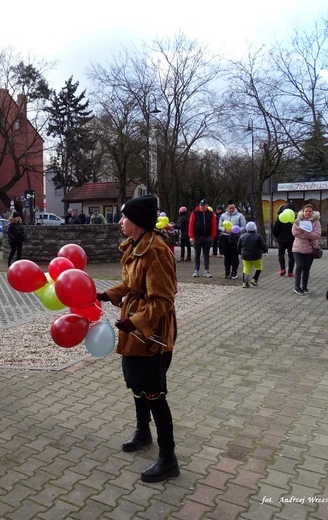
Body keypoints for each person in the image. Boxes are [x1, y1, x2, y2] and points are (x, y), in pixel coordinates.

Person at [96, 194, 179, 483]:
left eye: (124, 217)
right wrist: (107, 294)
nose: (120, 221)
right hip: (133, 329)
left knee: (154, 392)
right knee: (136, 383)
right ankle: (143, 432)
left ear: (139, 222)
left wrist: (136, 321)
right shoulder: (135, 245)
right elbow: (132, 284)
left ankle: (169, 458)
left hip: (151, 334)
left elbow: (164, 299)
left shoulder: (156, 251)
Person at [291, 203, 321, 295]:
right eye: (306, 211)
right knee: (299, 266)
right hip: (298, 248)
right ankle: (297, 287)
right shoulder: (298, 221)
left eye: (310, 211)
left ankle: (304, 287)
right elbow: (294, 233)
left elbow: (317, 235)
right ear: (303, 212)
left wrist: (305, 233)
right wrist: (305, 233)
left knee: (306, 268)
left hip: (310, 249)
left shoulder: (316, 222)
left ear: (313, 212)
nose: (308, 213)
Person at [188, 199, 217, 278]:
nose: (202, 207)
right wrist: (191, 236)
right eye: (201, 205)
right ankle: (196, 270)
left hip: (207, 237)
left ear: (207, 205)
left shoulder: (211, 214)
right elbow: (191, 225)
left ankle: (207, 270)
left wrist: (212, 236)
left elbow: (214, 225)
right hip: (197, 237)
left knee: (206, 254)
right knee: (197, 254)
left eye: (204, 205)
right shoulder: (194, 213)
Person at [218, 201, 246, 280]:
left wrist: (236, 230)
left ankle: (234, 272)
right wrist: (225, 230)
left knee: (234, 255)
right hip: (225, 237)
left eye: (233, 208)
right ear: (227, 208)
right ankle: (227, 271)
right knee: (226, 255)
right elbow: (219, 226)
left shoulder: (240, 216)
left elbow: (243, 226)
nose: (231, 210)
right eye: (230, 208)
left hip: (235, 237)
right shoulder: (223, 216)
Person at [237, 222, 268, 288]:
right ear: (255, 228)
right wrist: (265, 250)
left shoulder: (242, 236)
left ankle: (245, 283)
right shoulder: (258, 236)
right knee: (259, 267)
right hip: (256, 256)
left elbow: (239, 246)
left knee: (246, 269)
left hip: (245, 256)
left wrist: (240, 253)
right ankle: (254, 279)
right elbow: (262, 245)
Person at [272, 202, 297, 277]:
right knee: (291, 255)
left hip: (281, 240)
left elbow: (275, 230)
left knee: (281, 254)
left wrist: (277, 237)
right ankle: (290, 271)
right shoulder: (294, 219)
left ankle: (282, 269)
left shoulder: (280, 218)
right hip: (291, 240)